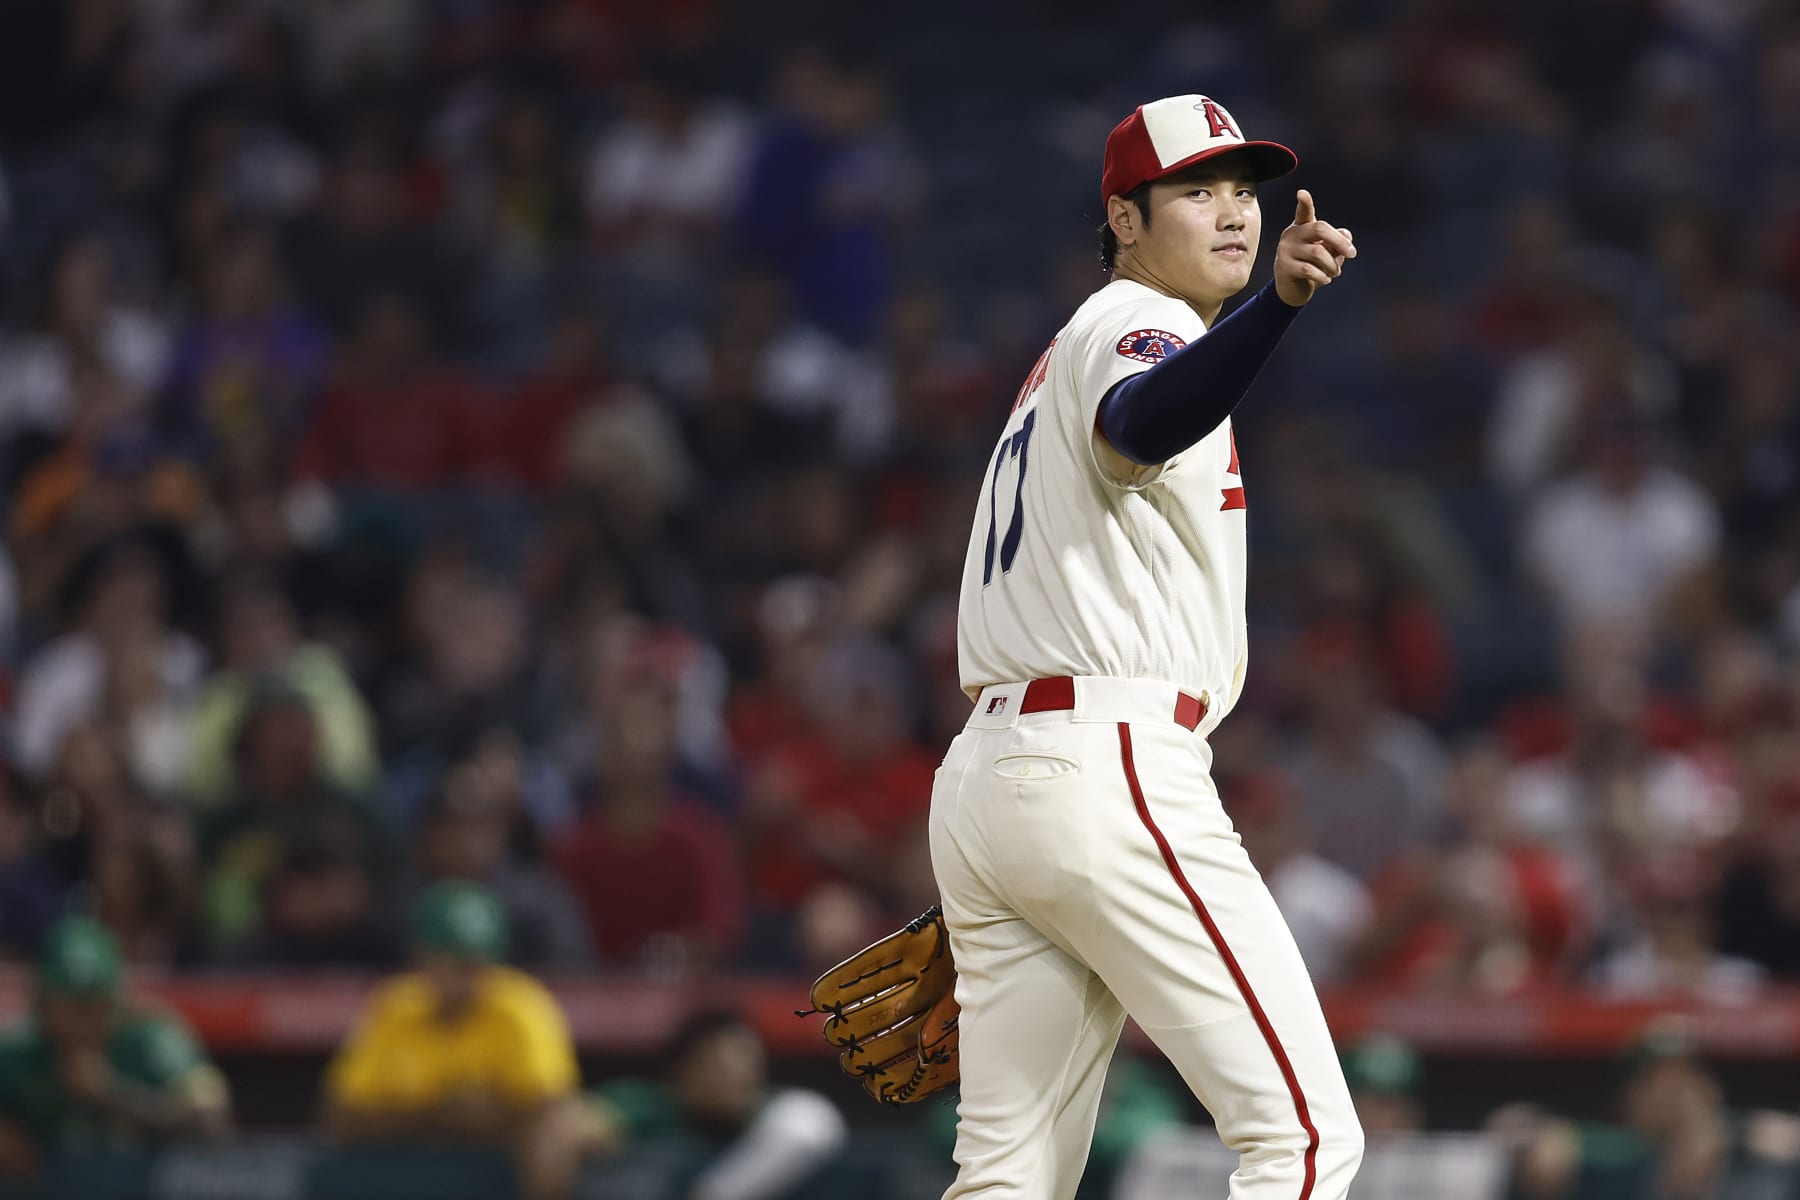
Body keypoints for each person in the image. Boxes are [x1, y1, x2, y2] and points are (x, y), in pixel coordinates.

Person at [930, 94, 1364, 1198]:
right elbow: (1140, 423)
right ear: (1123, 217)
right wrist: (1276, 309)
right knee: (1304, 1142)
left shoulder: (1065, 357)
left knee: (1008, 1180)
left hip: (995, 781)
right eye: (1194, 192)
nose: (1232, 215)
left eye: (1243, 193)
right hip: (1103, 759)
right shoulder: (1141, 322)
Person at [323, 881, 599, 1200]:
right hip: (402, 1179)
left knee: (558, 1135)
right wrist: (442, 1114)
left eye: (477, 962)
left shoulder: (519, 1005)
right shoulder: (395, 1007)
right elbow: (339, 1115)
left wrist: (420, 1116)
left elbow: (548, 1106)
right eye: (454, 962)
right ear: (423, 956)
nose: (467, 977)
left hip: (499, 1176)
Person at [0, 917, 230, 1180]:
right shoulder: (18, 1049)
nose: (81, 1022)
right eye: (68, 1005)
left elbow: (214, 1124)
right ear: (42, 1004)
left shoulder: (154, 1040)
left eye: (92, 1005)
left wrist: (110, 1092)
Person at [588, 1010, 847, 1200]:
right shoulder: (647, 1102)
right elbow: (572, 1125)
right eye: (725, 1062)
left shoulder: (771, 1111)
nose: (743, 1075)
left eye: (751, 1061)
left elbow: (810, 1125)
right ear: (686, 1067)